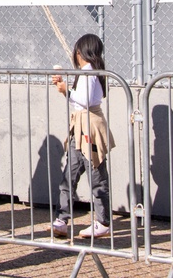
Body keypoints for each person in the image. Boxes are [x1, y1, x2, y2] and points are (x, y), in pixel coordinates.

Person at [50, 34, 114, 240]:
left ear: (80, 52)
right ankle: (62, 218)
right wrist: (65, 89)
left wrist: (65, 89)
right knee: (70, 173)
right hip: (80, 126)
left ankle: (103, 221)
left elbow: (84, 100)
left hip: (89, 127)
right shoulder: (88, 72)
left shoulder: (90, 72)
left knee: (96, 174)